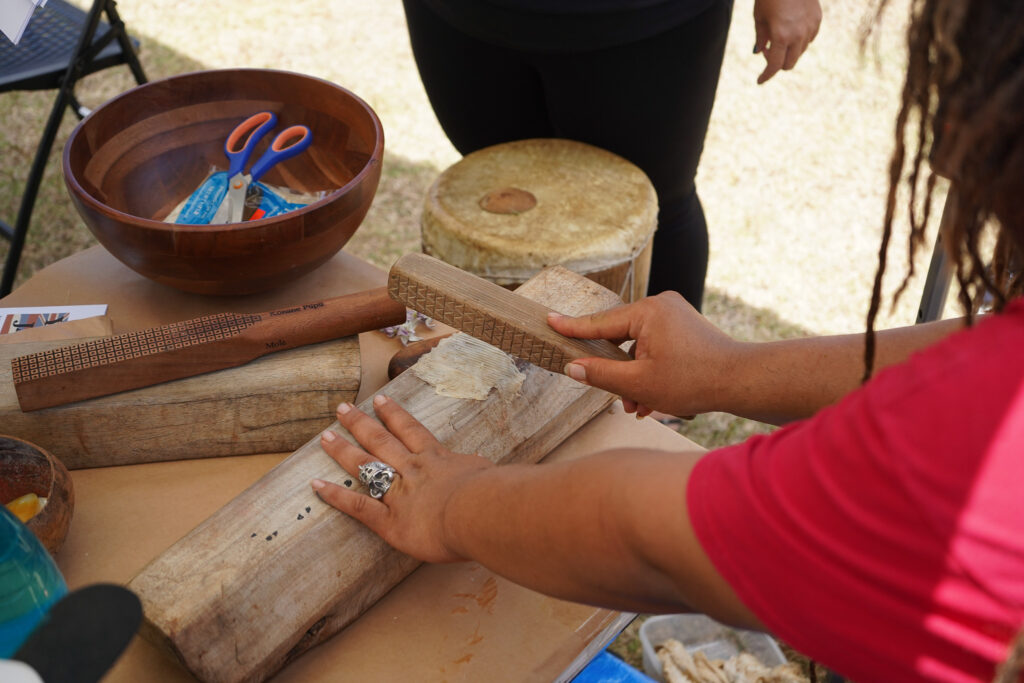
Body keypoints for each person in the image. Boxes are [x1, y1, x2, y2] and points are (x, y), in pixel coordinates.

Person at [312, 1, 1024, 681]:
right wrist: (730, 371)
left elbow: (647, 536)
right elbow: (968, 356)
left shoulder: (964, 467)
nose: (940, 158)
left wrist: (452, 502)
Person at [400, 0, 822, 311]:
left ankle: (659, 404)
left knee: (655, 204)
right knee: (500, 204)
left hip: (642, 19)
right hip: (458, 17)